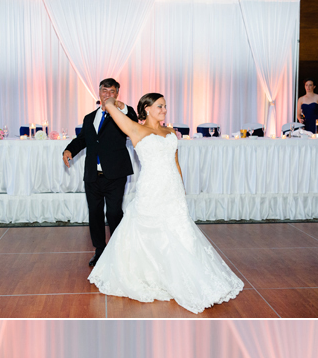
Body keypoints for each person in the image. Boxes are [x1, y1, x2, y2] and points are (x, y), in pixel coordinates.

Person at [88, 93, 243, 313]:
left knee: (179, 231)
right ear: (147, 108)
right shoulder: (136, 130)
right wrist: (116, 103)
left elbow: (175, 163)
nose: (164, 110)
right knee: (150, 231)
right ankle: (153, 275)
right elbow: (109, 107)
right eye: (160, 106)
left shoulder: (170, 132)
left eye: (165, 106)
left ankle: (185, 275)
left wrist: (181, 188)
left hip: (172, 191)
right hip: (151, 191)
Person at [64, 79, 136, 268]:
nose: (107, 95)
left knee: (113, 213)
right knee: (94, 214)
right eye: (104, 91)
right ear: (99, 92)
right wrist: (69, 150)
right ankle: (100, 250)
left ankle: (118, 249)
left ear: (117, 94)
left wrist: (123, 108)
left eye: (112, 91)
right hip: (92, 176)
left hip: (115, 174)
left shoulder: (122, 116)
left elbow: (134, 122)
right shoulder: (89, 117)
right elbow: (82, 140)